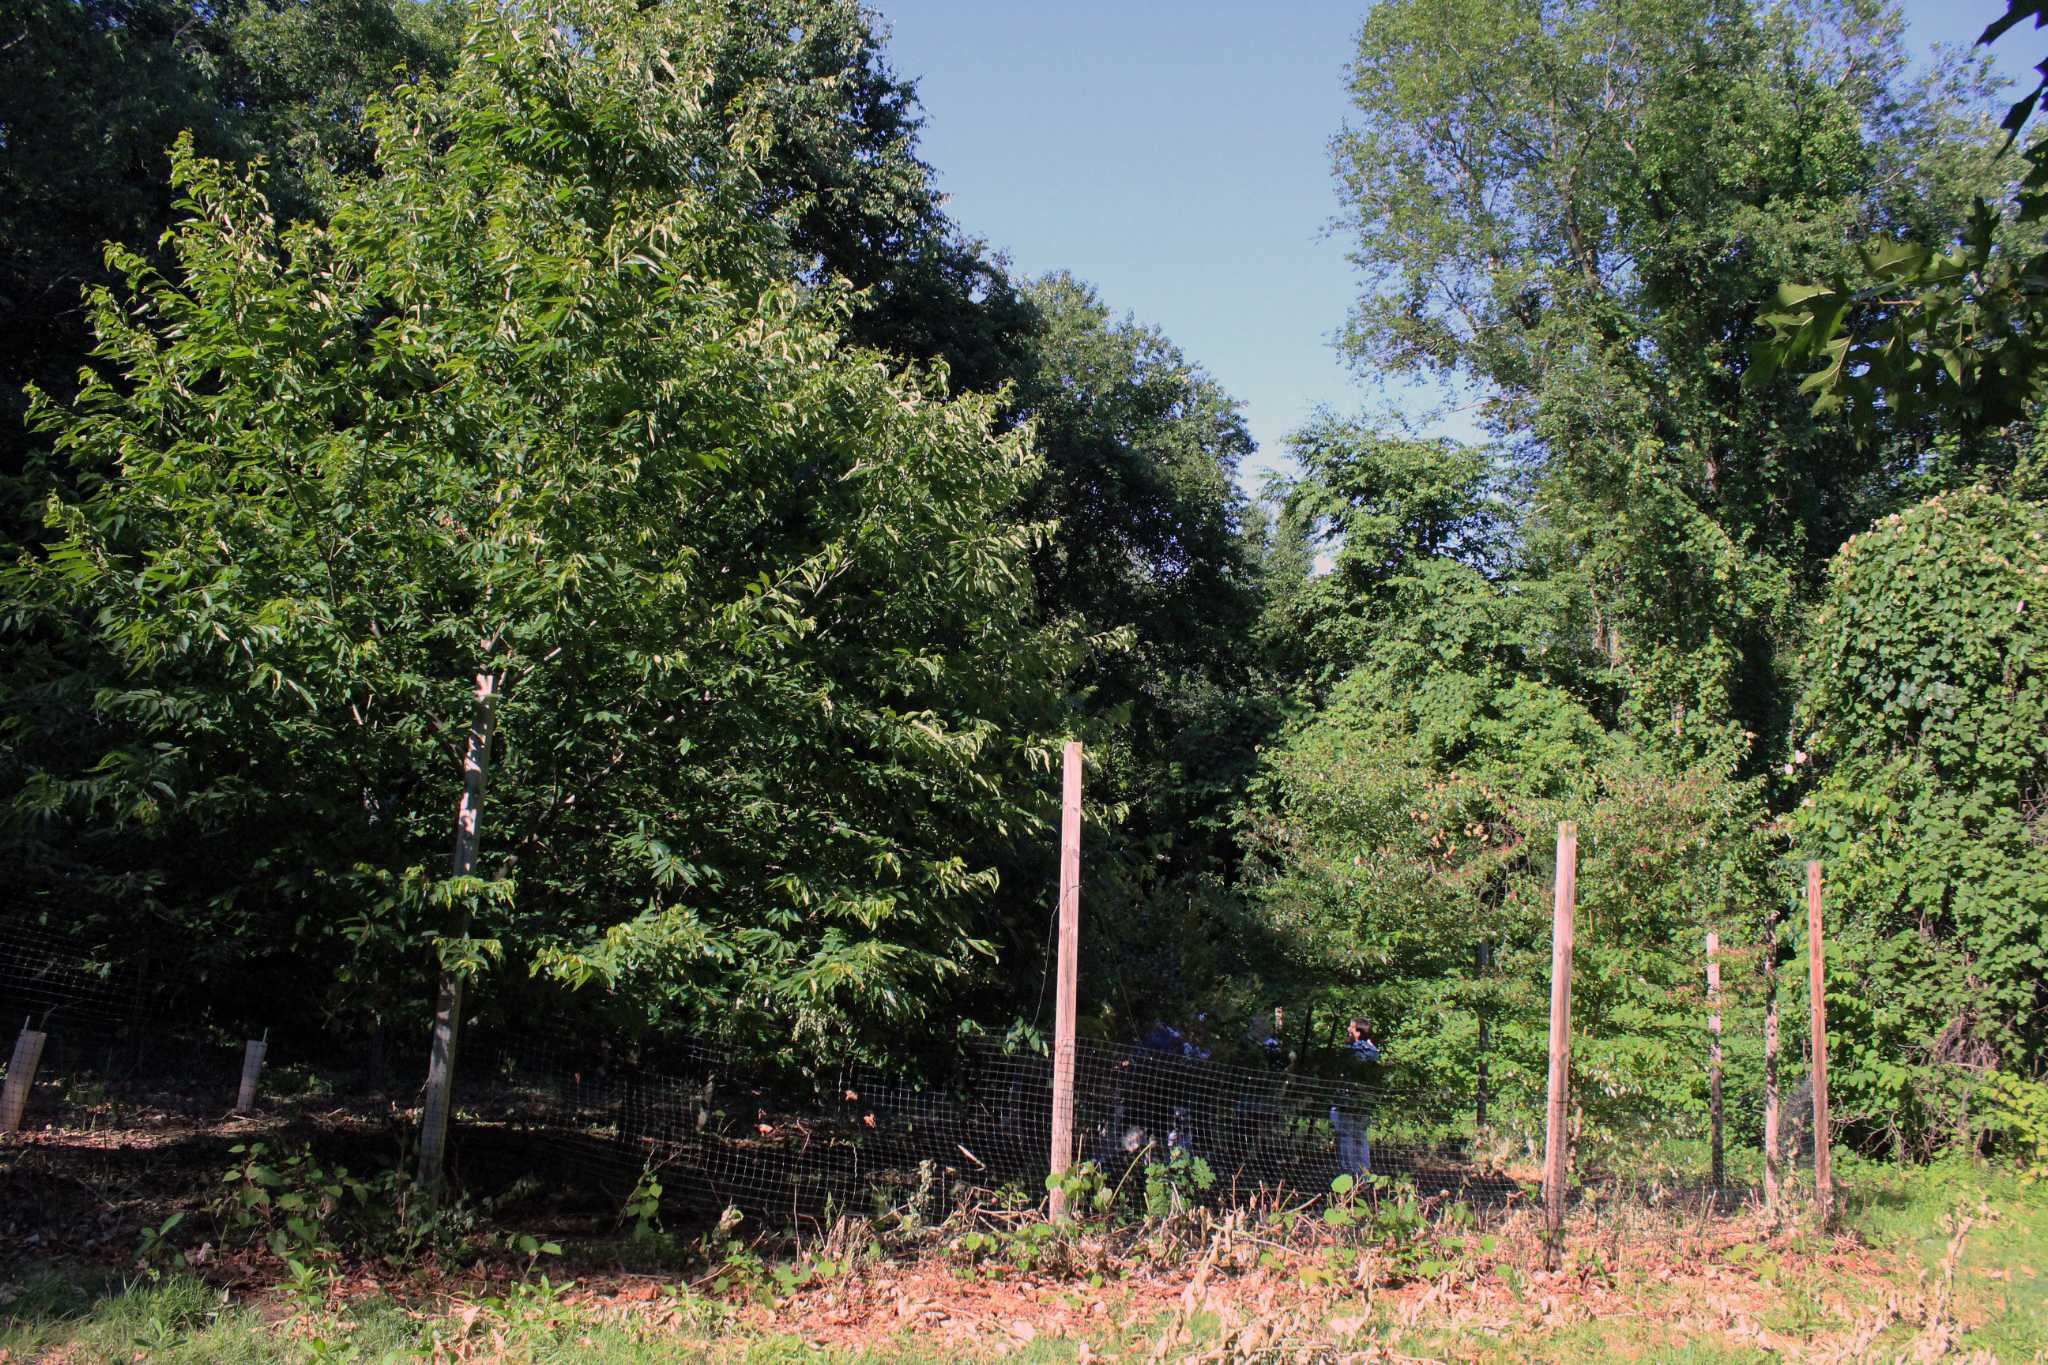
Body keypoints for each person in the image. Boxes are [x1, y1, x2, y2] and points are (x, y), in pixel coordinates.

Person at [1330, 1016, 1381, 1182]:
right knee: (1360, 1137)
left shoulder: (1353, 1052)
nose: (1348, 1030)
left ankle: (1348, 1175)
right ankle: (1364, 1176)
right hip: (1365, 1102)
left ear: (1358, 1032)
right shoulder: (1374, 1051)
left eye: (1351, 1027)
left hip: (1346, 1101)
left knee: (1346, 1136)